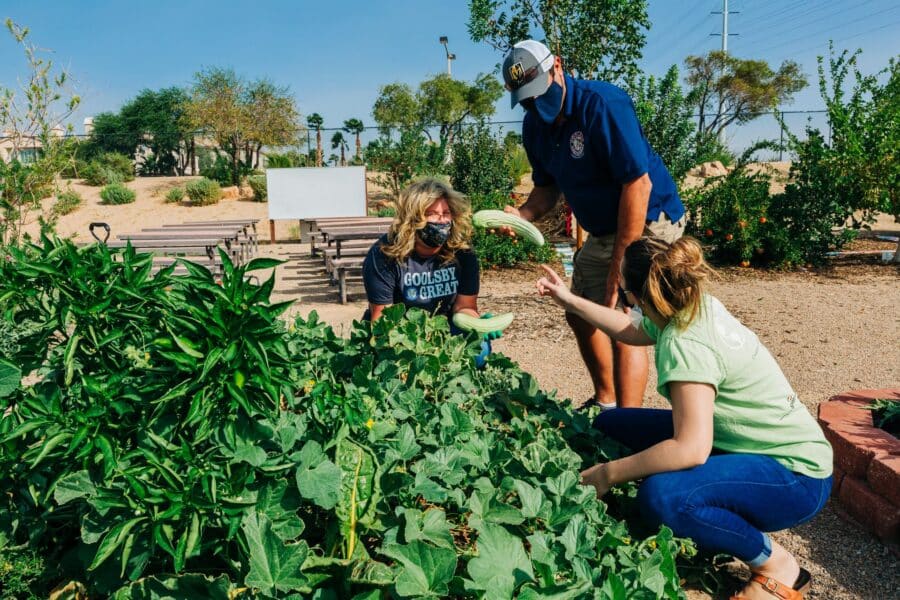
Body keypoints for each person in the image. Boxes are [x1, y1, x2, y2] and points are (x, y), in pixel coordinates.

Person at [536, 236, 833, 600]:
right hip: (743, 445)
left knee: (664, 497)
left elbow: (691, 449)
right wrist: (568, 299)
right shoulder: (693, 304)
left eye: (626, 293)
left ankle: (777, 565)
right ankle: (712, 521)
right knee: (611, 425)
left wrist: (606, 474)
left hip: (795, 478)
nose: (626, 303)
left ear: (639, 296)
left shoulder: (685, 343)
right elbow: (629, 330)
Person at [501, 39, 686, 410]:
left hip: (649, 219)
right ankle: (606, 402)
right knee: (579, 311)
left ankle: (627, 425)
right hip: (604, 229)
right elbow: (546, 188)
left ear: (558, 66)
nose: (536, 105)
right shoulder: (534, 126)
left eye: (539, 93)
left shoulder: (603, 104)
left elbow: (638, 185)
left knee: (623, 318)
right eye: (526, 99)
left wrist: (620, 269)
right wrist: (522, 215)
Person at [362, 178, 499, 364]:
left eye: (446, 213)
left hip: (445, 326)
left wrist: (478, 323)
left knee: (480, 349)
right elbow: (381, 321)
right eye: (432, 214)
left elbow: (464, 307)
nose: (442, 220)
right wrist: (417, 347)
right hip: (400, 332)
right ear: (413, 219)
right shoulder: (384, 255)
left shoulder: (463, 254)